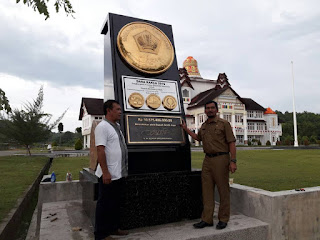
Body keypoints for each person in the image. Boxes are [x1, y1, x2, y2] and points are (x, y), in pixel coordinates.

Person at [181, 100, 237, 230]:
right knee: (206, 190)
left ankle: (223, 218)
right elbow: (198, 138)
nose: (210, 110)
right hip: (207, 160)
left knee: (223, 190)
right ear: (205, 111)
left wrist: (233, 161)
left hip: (221, 159)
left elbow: (232, 143)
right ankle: (207, 219)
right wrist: (186, 129)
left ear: (217, 110)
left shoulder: (224, 124)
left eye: (212, 108)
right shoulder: (204, 126)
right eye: (208, 108)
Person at [94, 100, 129, 240]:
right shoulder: (102, 127)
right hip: (108, 174)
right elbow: (100, 150)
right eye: (118, 109)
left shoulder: (117, 126)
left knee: (115, 203)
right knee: (104, 205)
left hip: (118, 173)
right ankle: (101, 234)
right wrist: (106, 172)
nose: (120, 112)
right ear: (109, 110)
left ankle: (113, 228)